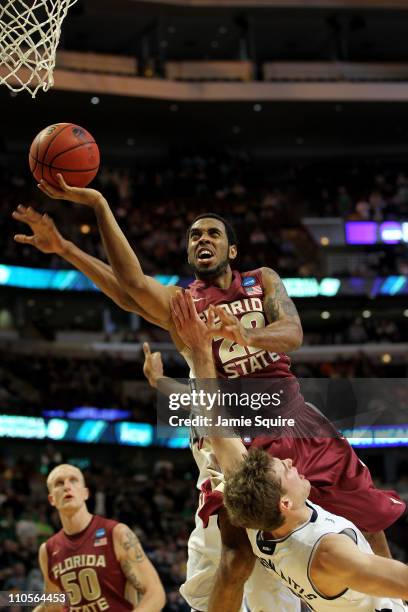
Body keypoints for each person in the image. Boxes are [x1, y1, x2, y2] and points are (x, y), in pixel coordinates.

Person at [13, 177, 405, 610]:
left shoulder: (262, 280)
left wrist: (246, 334)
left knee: (370, 521)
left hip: (296, 417)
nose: (203, 239)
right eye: (194, 235)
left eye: (213, 233)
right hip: (235, 436)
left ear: (231, 251)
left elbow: (293, 333)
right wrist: (95, 209)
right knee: (236, 559)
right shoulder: (183, 304)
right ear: (188, 252)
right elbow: (130, 284)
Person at [168, 289, 408, 612]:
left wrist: (199, 347)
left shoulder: (261, 524)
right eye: (284, 469)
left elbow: (216, 422)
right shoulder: (327, 551)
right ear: (285, 500)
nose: (288, 462)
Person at [33, 463, 165, 612]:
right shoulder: (48, 550)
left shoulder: (116, 533)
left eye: (73, 480)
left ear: (85, 493)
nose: (67, 486)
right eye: (59, 483)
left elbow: (156, 593)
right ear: (51, 499)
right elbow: (54, 606)